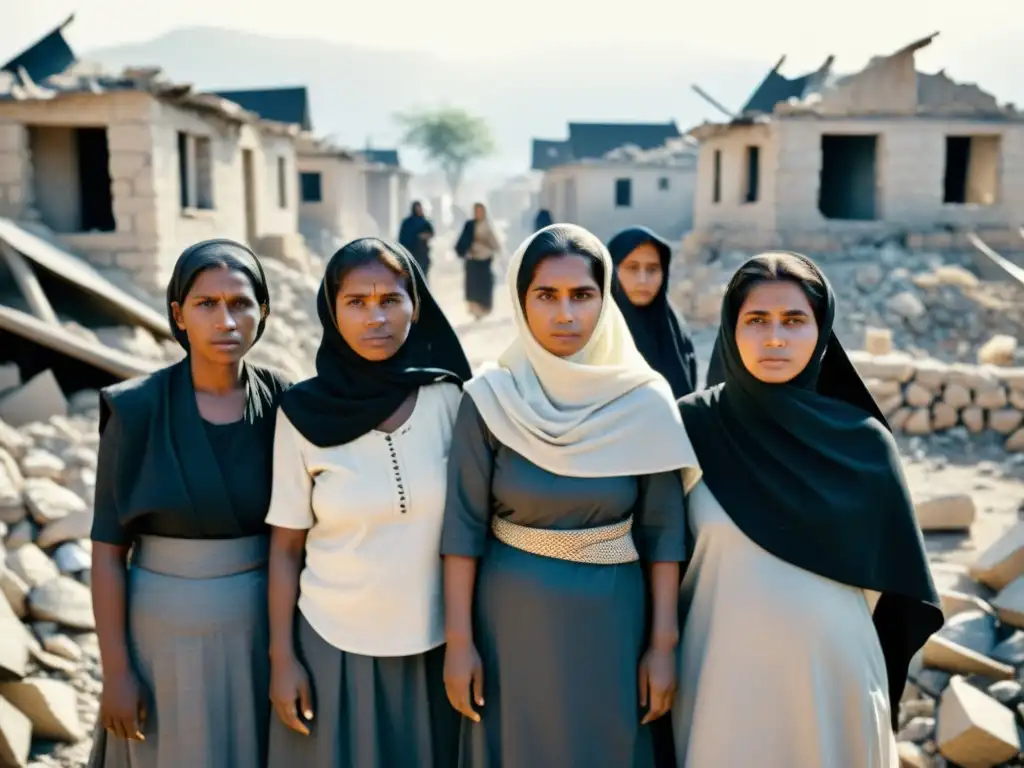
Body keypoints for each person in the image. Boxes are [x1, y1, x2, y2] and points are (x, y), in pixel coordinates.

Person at [441, 223, 699, 767]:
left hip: (615, 624)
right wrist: (459, 643)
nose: (565, 314)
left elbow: (664, 533)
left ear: (604, 301)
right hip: (509, 628)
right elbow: (462, 529)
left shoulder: (643, 401)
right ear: (521, 300)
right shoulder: (490, 399)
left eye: (582, 295)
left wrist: (662, 647)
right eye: (546, 296)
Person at [672, 251, 943, 767]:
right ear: (731, 328)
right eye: (757, 320)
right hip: (718, 681)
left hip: (832, 682)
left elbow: (900, 593)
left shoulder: (863, 445)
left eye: (795, 320)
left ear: (822, 331)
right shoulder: (692, 429)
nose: (775, 337)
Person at [264, 237, 472, 767]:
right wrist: (282, 659)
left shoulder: (450, 398)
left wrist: (463, 639)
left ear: (415, 305)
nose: (375, 317)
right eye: (356, 302)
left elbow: (471, 528)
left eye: (390, 300)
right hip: (333, 644)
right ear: (331, 313)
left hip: (435, 644)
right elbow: (286, 548)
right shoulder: (302, 413)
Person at [87, 239, 290, 768]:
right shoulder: (135, 410)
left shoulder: (286, 406)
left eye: (241, 303)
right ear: (178, 314)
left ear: (262, 311)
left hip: (261, 636)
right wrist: (117, 673)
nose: (226, 320)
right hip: (161, 641)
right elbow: (108, 553)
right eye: (206, 304)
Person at [607, 226, 698, 399]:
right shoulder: (596, 330)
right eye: (632, 268)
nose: (643, 279)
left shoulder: (674, 326)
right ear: (612, 270)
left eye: (652, 269)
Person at [454, 202, 502, 320]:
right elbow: (462, 240)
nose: (478, 214)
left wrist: (497, 251)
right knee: (472, 286)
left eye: (481, 211)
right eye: (477, 211)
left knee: (484, 285)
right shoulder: (469, 225)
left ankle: (484, 308)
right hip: (472, 260)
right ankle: (475, 310)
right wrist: (465, 251)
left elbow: (495, 243)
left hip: (485, 261)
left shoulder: (488, 226)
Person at [398, 200, 435, 278]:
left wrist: (423, 236)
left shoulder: (425, 222)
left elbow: (431, 234)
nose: (419, 210)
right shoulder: (407, 223)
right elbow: (402, 239)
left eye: (420, 208)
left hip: (422, 255)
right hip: (410, 254)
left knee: (423, 278)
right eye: (417, 208)